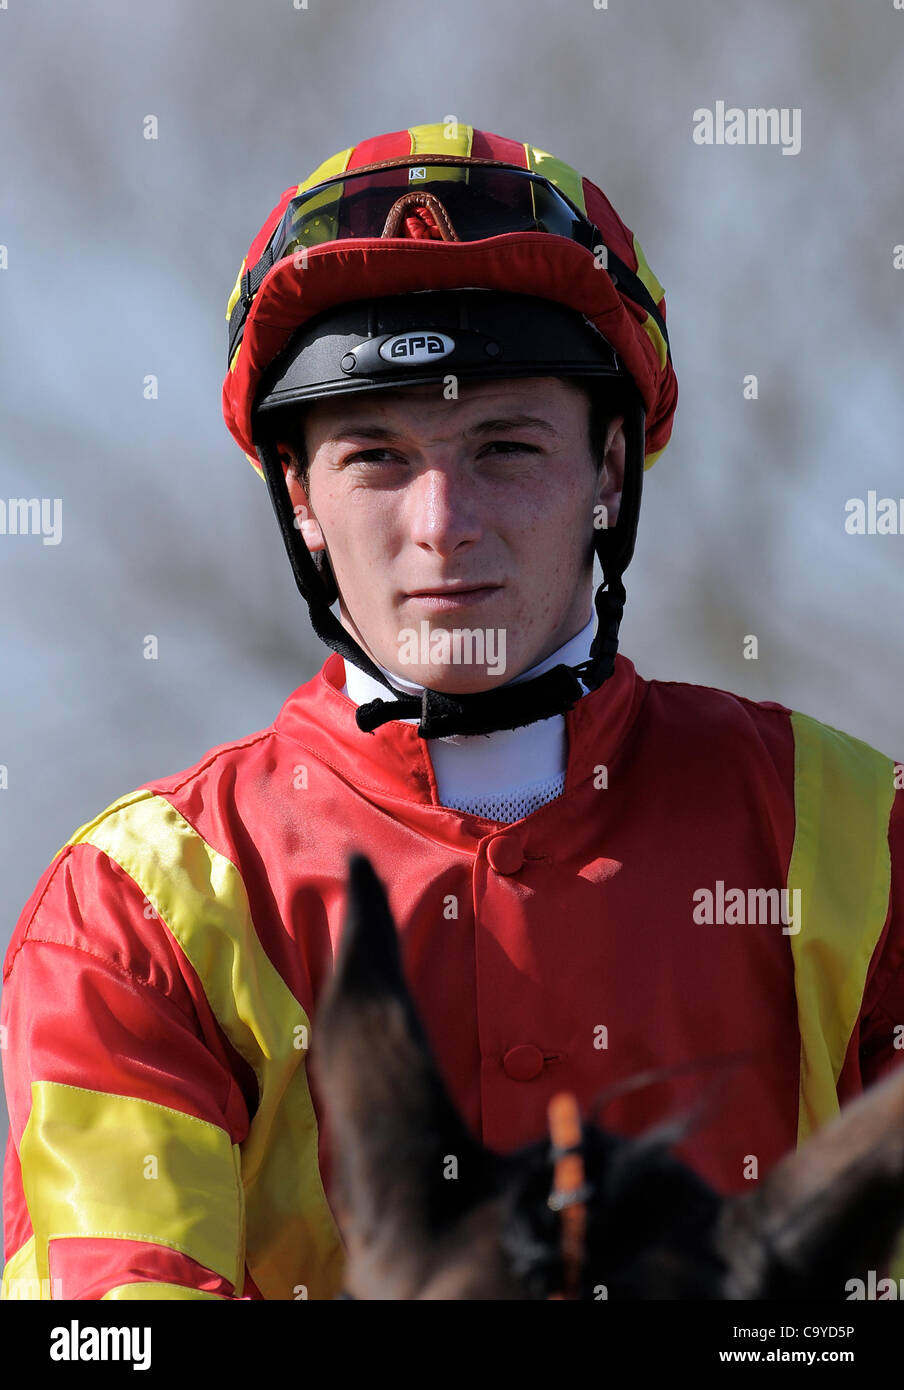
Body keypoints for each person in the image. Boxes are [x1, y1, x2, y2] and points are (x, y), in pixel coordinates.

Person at [2, 121, 903, 1302]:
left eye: (505, 446)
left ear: (611, 470)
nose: (441, 522)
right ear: (299, 496)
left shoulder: (862, 836)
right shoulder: (133, 908)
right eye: (375, 455)